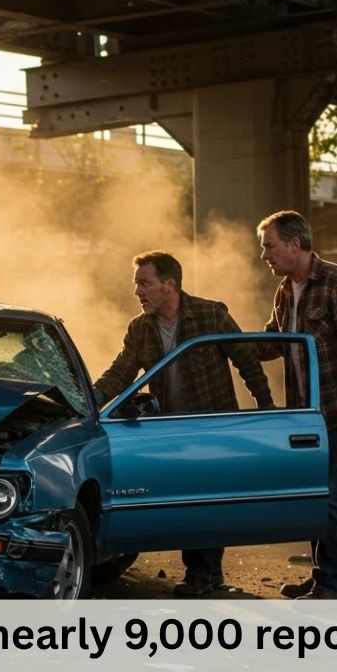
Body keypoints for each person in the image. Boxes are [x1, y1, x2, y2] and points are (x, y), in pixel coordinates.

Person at [95, 250, 273, 597]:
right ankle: (210, 574)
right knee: (189, 499)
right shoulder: (140, 328)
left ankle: (199, 575)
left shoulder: (210, 314)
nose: (137, 291)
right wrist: (91, 398)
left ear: (169, 284)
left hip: (213, 426)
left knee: (207, 499)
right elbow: (121, 372)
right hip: (171, 429)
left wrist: (264, 408)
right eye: (137, 284)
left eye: (144, 283)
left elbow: (247, 361)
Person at [256, 210, 337, 600]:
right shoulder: (285, 291)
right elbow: (274, 342)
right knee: (315, 498)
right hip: (311, 414)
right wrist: (230, 340)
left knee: (336, 499)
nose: (265, 255)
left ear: (295, 245)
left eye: (269, 246)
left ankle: (333, 585)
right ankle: (321, 576)